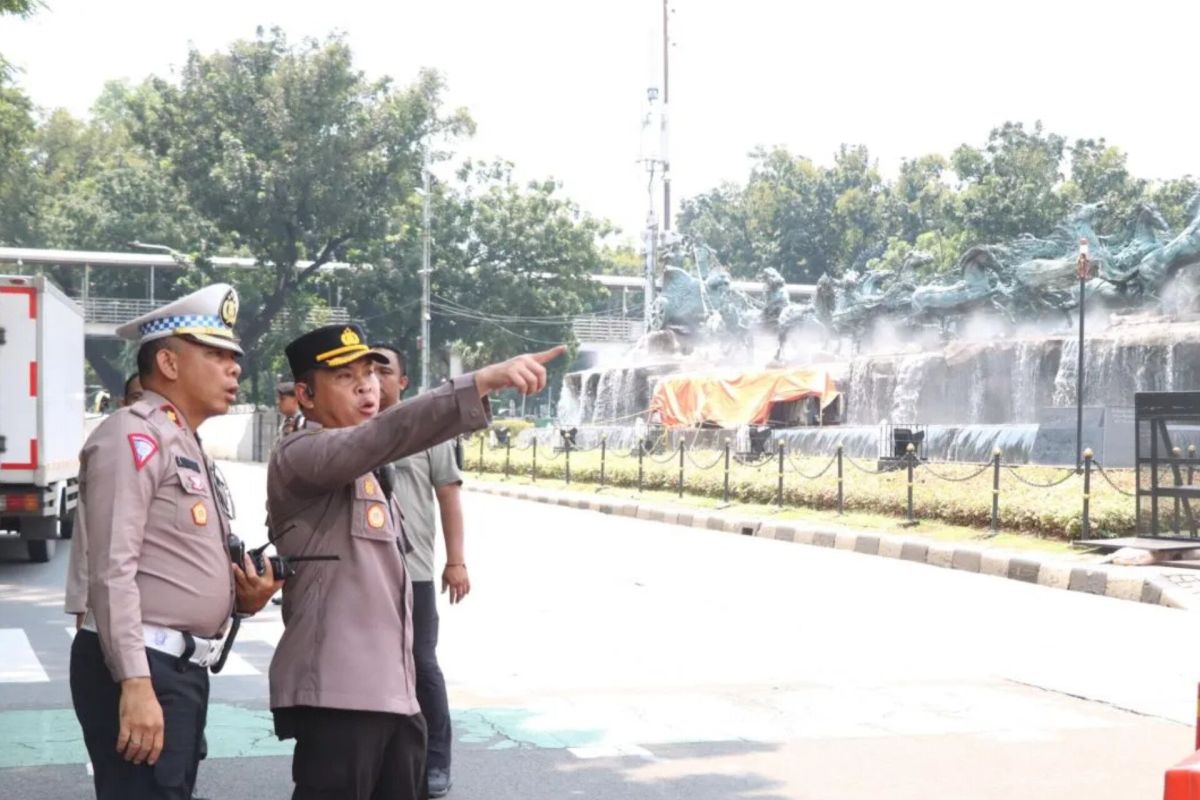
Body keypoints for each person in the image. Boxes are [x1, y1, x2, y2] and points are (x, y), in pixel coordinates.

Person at [268, 323, 562, 800]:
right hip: (339, 696)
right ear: (305, 394)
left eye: (372, 373)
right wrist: (480, 381)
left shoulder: (369, 465)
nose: (368, 386)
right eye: (346, 377)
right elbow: (383, 434)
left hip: (395, 695)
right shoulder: (301, 454)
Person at [68, 283, 282, 800]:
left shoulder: (182, 439)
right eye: (216, 355)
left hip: (176, 668)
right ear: (167, 361)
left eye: (234, 358)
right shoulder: (132, 435)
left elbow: (176, 560)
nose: (234, 368)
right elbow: (112, 569)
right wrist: (136, 684)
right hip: (140, 665)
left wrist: (240, 600)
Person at [372, 344, 465, 798]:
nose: (374, 378)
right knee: (371, 665)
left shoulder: (428, 429)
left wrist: (456, 560)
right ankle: (385, 758)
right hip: (365, 574)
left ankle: (436, 760)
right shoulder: (350, 428)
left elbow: (448, 495)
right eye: (366, 371)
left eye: (383, 370)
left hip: (416, 571)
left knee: (422, 664)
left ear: (403, 381)